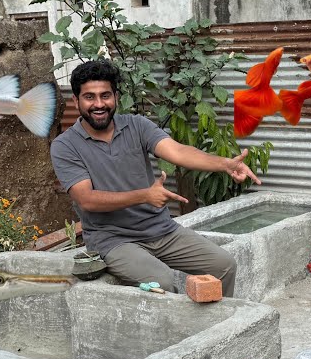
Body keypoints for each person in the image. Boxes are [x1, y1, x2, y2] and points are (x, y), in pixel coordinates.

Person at [51, 59, 258, 298]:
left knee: (223, 265)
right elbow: (86, 199)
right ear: (76, 100)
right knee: (162, 281)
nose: (99, 104)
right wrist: (145, 195)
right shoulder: (65, 146)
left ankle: (214, 328)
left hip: (162, 230)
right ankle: (176, 333)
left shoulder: (136, 126)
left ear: (116, 97)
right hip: (113, 239)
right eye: (90, 97)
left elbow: (177, 151)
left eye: (105, 95)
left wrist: (224, 164)